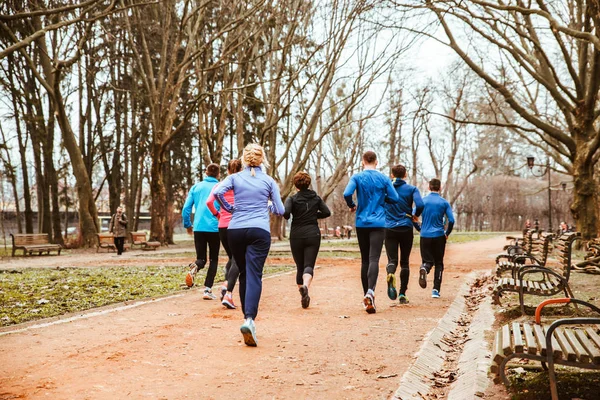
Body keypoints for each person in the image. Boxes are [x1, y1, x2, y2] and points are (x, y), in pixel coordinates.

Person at [214, 143, 285, 346]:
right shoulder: (269, 181)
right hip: (259, 231)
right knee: (254, 274)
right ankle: (249, 320)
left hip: (235, 231)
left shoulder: (235, 178)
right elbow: (280, 210)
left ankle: (246, 318)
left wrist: (229, 207)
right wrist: (268, 205)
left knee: (244, 272)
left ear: (244, 159)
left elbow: (218, 192)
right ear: (262, 159)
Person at [343, 151, 399, 314]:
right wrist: (383, 200)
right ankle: (370, 293)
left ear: (362, 162)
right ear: (376, 162)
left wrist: (352, 205)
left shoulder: (357, 177)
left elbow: (347, 193)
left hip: (362, 221)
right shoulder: (383, 178)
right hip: (379, 222)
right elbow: (394, 198)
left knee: (365, 260)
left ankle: (367, 297)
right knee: (374, 258)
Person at [283, 171, 331, 309]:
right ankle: (305, 286)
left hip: (296, 235)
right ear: (308, 183)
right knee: (309, 265)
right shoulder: (316, 198)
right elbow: (327, 212)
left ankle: (303, 293)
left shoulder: (291, 199)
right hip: (313, 234)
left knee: (299, 266)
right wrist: (314, 215)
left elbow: (286, 214)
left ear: (296, 184)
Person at [384, 165, 424, 304]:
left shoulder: (386, 188)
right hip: (406, 227)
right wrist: (415, 216)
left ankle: (390, 273)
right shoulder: (412, 189)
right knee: (405, 262)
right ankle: (402, 294)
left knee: (392, 260)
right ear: (405, 175)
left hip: (388, 228)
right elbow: (420, 204)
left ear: (392, 174)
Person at [206, 159, 243, 309]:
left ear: (227, 171)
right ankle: (227, 287)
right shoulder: (241, 185)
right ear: (241, 170)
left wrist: (217, 214)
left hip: (222, 226)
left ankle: (226, 285)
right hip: (237, 225)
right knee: (237, 258)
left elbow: (209, 202)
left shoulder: (219, 185)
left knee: (232, 257)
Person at [182, 163, 221, 300]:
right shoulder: (220, 187)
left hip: (198, 227)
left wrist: (188, 225)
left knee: (201, 258)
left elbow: (186, 208)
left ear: (206, 172)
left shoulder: (196, 187)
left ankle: (195, 267)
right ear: (218, 174)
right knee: (214, 258)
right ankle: (207, 290)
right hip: (215, 227)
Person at [416, 178, 455, 299]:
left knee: (427, 261)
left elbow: (413, 217)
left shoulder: (422, 201)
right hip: (439, 236)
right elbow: (452, 220)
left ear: (429, 187)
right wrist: (447, 232)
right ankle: (435, 290)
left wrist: (419, 229)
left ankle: (425, 268)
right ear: (440, 188)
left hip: (425, 236)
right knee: (439, 263)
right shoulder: (444, 203)